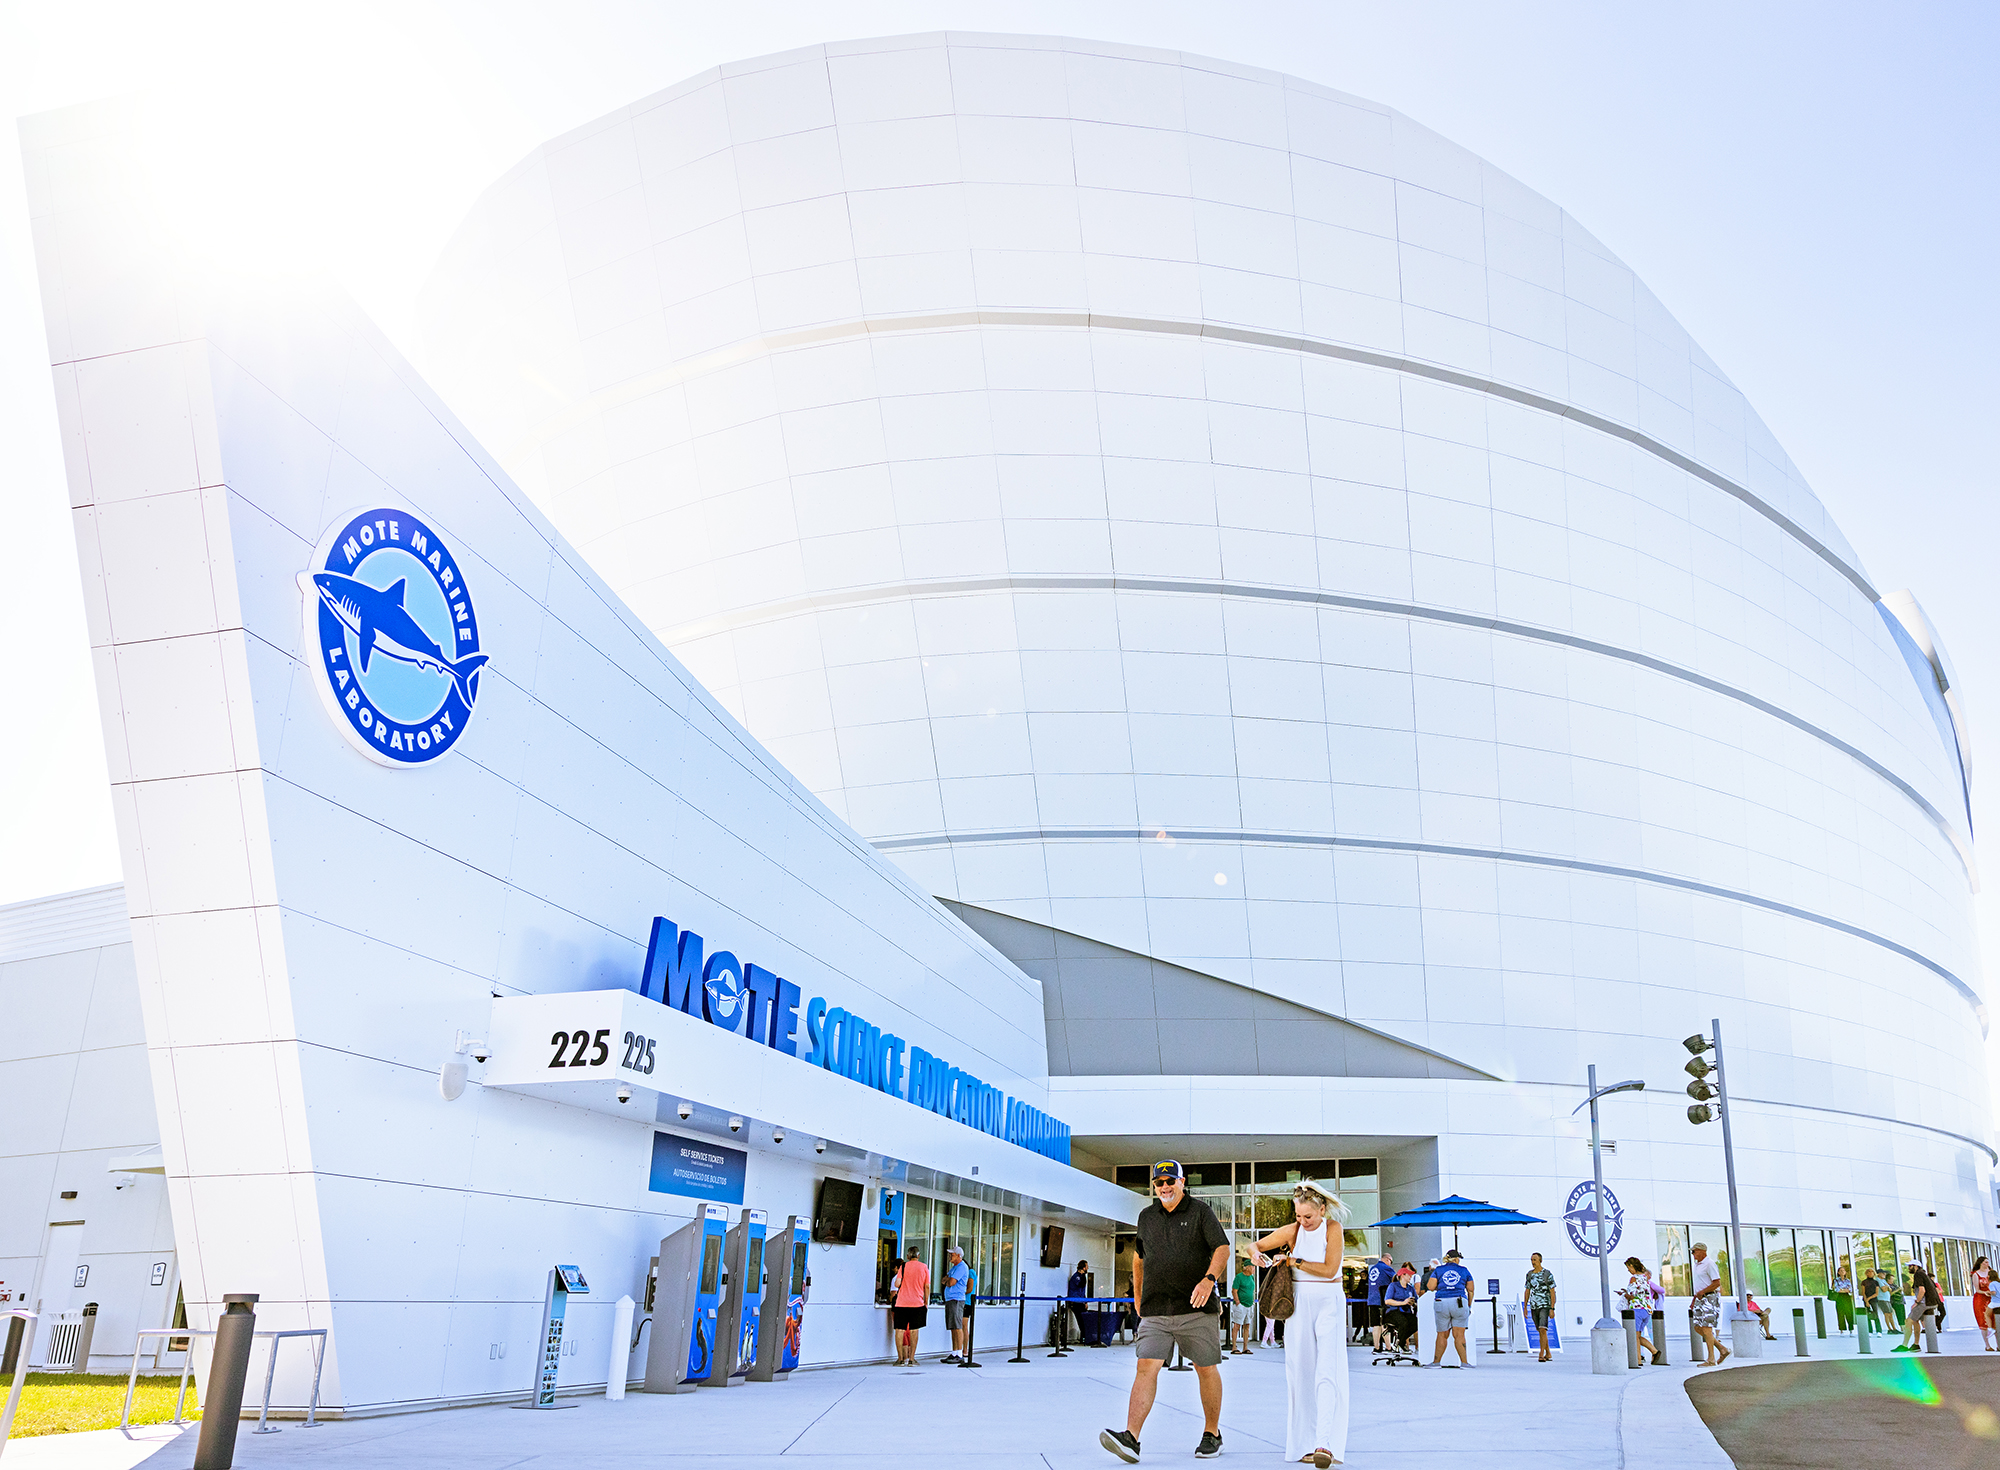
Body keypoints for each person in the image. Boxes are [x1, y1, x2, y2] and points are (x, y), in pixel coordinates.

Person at [1099, 1161, 1230, 1463]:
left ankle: (1212, 1433)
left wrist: (1209, 1280)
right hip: (1156, 1309)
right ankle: (1131, 1438)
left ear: (1182, 1182)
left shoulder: (1200, 1212)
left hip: (1195, 1307)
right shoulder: (1147, 1216)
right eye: (1159, 1183)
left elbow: (1222, 1248)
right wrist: (1138, 1297)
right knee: (1145, 1366)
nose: (1165, 1187)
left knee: (1205, 1367)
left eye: (1170, 1181)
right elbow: (1139, 1258)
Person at [1253, 1180, 1350, 1468]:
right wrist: (1255, 1254)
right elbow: (1254, 1245)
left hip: (1329, 1300)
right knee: (1299, 1373)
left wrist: (1294, 1261)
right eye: (1298, 1216)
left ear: (1322, 1209)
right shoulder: (1293, 1230)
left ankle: (1325, 1443)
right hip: (1298, 1303)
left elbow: (1330, 1269)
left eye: (1308, 1216)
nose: (1303, 1221)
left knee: (1328, 1371)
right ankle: (1303, 1444)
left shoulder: (1333, 1229)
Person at [1424, 1249, 1475, 1368]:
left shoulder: (1438, 1270)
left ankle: (1436, 1363)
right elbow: (1471, 1290)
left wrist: (1442, 1287)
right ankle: (1464, 1363)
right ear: (1456, 1259)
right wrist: (1468, 1305)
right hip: (1459, 1302)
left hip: (1442, 1302)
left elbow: (1430, 1287)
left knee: (1442, 1334)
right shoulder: (1464, 1270)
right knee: (1459, 1335)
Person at [889, 1244, 930, 1366]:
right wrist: (926, 1301)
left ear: (907, 1256)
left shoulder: (903, 1266)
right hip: (917, 1303)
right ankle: (911, 1359)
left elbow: (897, 1284)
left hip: (901, 1303)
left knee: (899, 1330)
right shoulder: (924, 1267)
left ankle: (900, 1359)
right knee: (914, 1330)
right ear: (918, 1256)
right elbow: (927, 1286)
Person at [1689, 1242, 1729, 1366]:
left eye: (1694, 1251)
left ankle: (1711, 1359)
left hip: (1709, 1297)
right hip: (1700, 1298)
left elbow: (1716, 1283)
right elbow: (1699, 1283)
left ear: (1702, 1251)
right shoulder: (1696, 1265)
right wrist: (1695, 1299)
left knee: (1706, 1328)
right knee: (1698, 1327)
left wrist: (1703, 1292)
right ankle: (1722, 1349)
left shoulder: (1709, 1264)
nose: (1693, 1254)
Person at [1619, 1257, 1663, 1364]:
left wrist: (1624, 1294)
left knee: (1634, 1336)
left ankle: (1641, 1358)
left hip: (1637, 1309)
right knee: (1638, 1335)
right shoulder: (1645, 1278)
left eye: (1628, 1267)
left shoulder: (1633, 1279)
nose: (1628, 1270)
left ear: (1632, 1266)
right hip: (1646, 1310)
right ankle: (1650, 1354)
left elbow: (1632, 1296)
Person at [1896, 1265, 1942, 1351]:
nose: (1909, 1268)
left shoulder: (1918, 1274)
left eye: (1910, 1266)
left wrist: (1917, 1302)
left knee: (1908, 1321)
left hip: (1924, 1303)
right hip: (1931, 1302)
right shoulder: (1925, 1275)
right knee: (1915, 1321)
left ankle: (1904, 1345)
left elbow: (1922, 1290)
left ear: (1916, 1266)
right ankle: (1916, 1345)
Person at [1524, 1252, 1557, 1362]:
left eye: (1535, 1260)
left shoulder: (1547, 1274)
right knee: (1540, 1330)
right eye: (1532, 1260)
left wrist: (1552, 1308)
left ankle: (1541, 1353)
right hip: (1534, 1306)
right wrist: (1525, 1306)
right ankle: (1548, 1352)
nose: (1533, 1262)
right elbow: (1527, 1290)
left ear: (1540, 1261)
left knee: (1543, 1329)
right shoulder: (1529, 1275)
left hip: (1545, 1305)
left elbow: (1552, 1292)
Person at [941, 1245, 970, 1363]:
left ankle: (959, 1353)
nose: (950, 1256)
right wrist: (947, 1280)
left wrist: (948, 1280)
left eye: (952, 1255)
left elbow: (951, 1282)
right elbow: (944, 1279)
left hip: (956, 1299)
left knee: (957, 1327)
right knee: (953, 1327)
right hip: (950, 1299)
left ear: (959, 1256)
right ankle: (954, 1352)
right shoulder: (954, 1268)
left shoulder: (962, 1267)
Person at [1380, 1263, 1417, 1353]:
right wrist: (1403, 1302)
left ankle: (1400, 1341)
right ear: (1403, 1275)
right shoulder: (1393, 1286)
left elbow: (1416, 1301)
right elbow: (1387, 1301)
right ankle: (1400, 1342)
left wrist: (1413, 1303)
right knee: (1403, 1322)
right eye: (1409, 1275)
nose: (1411, 1277)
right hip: (1393, 1311)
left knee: (1415, 1323)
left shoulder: (1410, 1288)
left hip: (1406, 1311)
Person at [1365, 1251, 1395, 1351]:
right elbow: (1396, 1280)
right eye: (1391, 1261)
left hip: (1372, 1300)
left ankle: (1376, 1347)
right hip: (1382, 1300)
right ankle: (1388, 1347)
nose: (1390, 1264)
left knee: (1375, 1324)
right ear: (1387, 1259)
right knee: (1385, 1324)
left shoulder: (1372, 1269)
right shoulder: (1386, 1268)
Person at [1232, 1256, 1256, 1353]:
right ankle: (1234, 1347)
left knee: (1247, 1326)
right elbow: (1234, 1290)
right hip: (1241, 1305)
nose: (1254, 1268)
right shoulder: (1239, 1277)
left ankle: (1245, 1347)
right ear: (1247, 1267)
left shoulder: (1252, 1277)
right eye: (1252, 1267)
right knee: (1237, 1326)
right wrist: (1238, 1302)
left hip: (1249, 1305)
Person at [1972, 1255, 1994, 1352]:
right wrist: (1985, 1292)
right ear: (1981, 1263)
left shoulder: (1991, 1273)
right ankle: (1987, 1345)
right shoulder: (1976, 1274)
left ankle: (1998, 1343)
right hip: (1981, 1299)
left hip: (1992, 1298)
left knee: (1995, 1320)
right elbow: (1977, 1289)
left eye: (1988, 1262)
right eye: (1985, 1262)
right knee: (1983, 1321)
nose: (1987, 1264)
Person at [1070, 1259, 1092, 1345]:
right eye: (1086, 1266)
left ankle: (1085, 1337)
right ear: (1083, 1267)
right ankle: (1084, 1338)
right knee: (1081, 1321)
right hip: (1076, 1302)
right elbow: (1081, 1285)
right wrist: (1083, 1276)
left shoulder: (1081, 1277)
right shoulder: (1076, 1277)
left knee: (1084, 1320)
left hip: (1081, 1301)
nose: (1087, 1268)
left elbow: (1082, 1291)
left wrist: (1085, 1302)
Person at [1830, 1260, 1855, 1333]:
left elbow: (1850, 1289)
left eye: (1843, 1271)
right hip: (1839, 1297)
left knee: (1849, 1312)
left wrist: (1843, 1290)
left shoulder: (1847, 1280)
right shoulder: (1836, 1280)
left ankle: (1851, 1329)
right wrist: (1844, 1290)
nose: (1842, 1272)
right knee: (1840, 1313)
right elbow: (1837, 1289)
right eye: (1841, 1271)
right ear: (1838, 1272)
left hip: (1847, 1297)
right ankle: (1842, 1329)